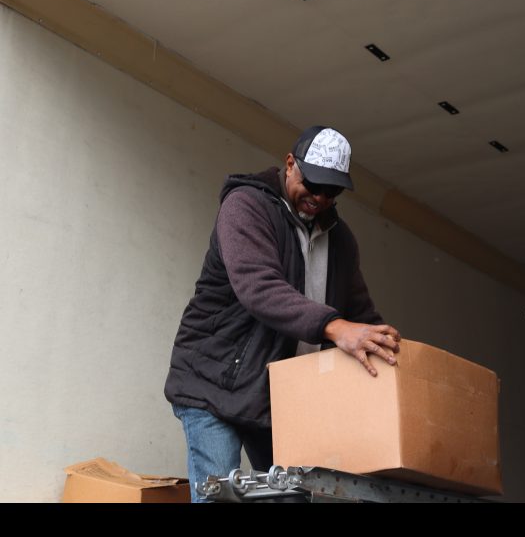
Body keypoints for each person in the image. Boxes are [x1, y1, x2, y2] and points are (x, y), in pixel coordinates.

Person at [164, 125, 402, 502]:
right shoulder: (246, 206)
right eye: (313, 184)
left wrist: (396, 358)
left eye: (332, 191)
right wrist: (335, 327)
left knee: (292, 497)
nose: (320, 197)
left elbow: (360, 313)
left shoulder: (341, 241)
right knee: (221, 496)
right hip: (212, 381)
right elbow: (259, 288)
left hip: (278, 399)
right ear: (290, 165)